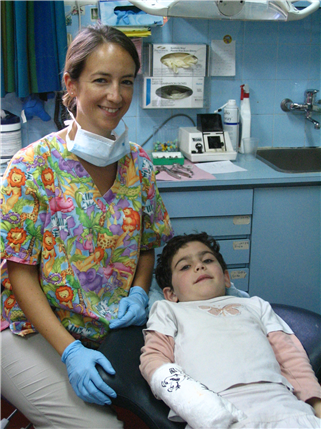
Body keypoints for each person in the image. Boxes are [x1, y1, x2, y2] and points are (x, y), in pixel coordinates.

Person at [0, 24, 173, 429]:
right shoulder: (32, 167)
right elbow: (18, 271)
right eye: (101, 80)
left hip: (111, 325)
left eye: (125, 82)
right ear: (71, 84)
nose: (115, 95)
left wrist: (136, 290)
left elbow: (146, 243)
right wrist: (69, 352)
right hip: (32, 328)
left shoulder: (139, 164)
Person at [140, 232, 321, 429]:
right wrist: (197, 403)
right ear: (171, 293)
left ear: (226, 278)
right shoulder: (168, 310)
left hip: (286, 408)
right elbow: (154, 359)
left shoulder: (256, 306)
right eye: (185, 266)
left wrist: (317, 405)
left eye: (207, 260)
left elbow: (291, 358)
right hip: (216, 413)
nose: (199, 266)